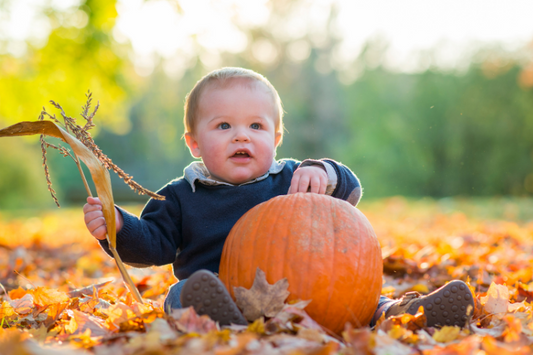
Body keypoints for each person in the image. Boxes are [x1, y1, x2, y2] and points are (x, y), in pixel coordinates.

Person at [83, 67, 474, 328]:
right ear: (195, 143)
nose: (242, 135)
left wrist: (324, 172)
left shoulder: (291, 177)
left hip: (311, 292)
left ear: (276, 138)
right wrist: (116, 227)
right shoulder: (181, 196)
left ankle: (409, 313)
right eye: (224, 125)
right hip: (229, 295)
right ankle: (222, 321)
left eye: (256, 125)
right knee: (184, 294)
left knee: (362, 302)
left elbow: (349, 191)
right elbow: (152, 246)